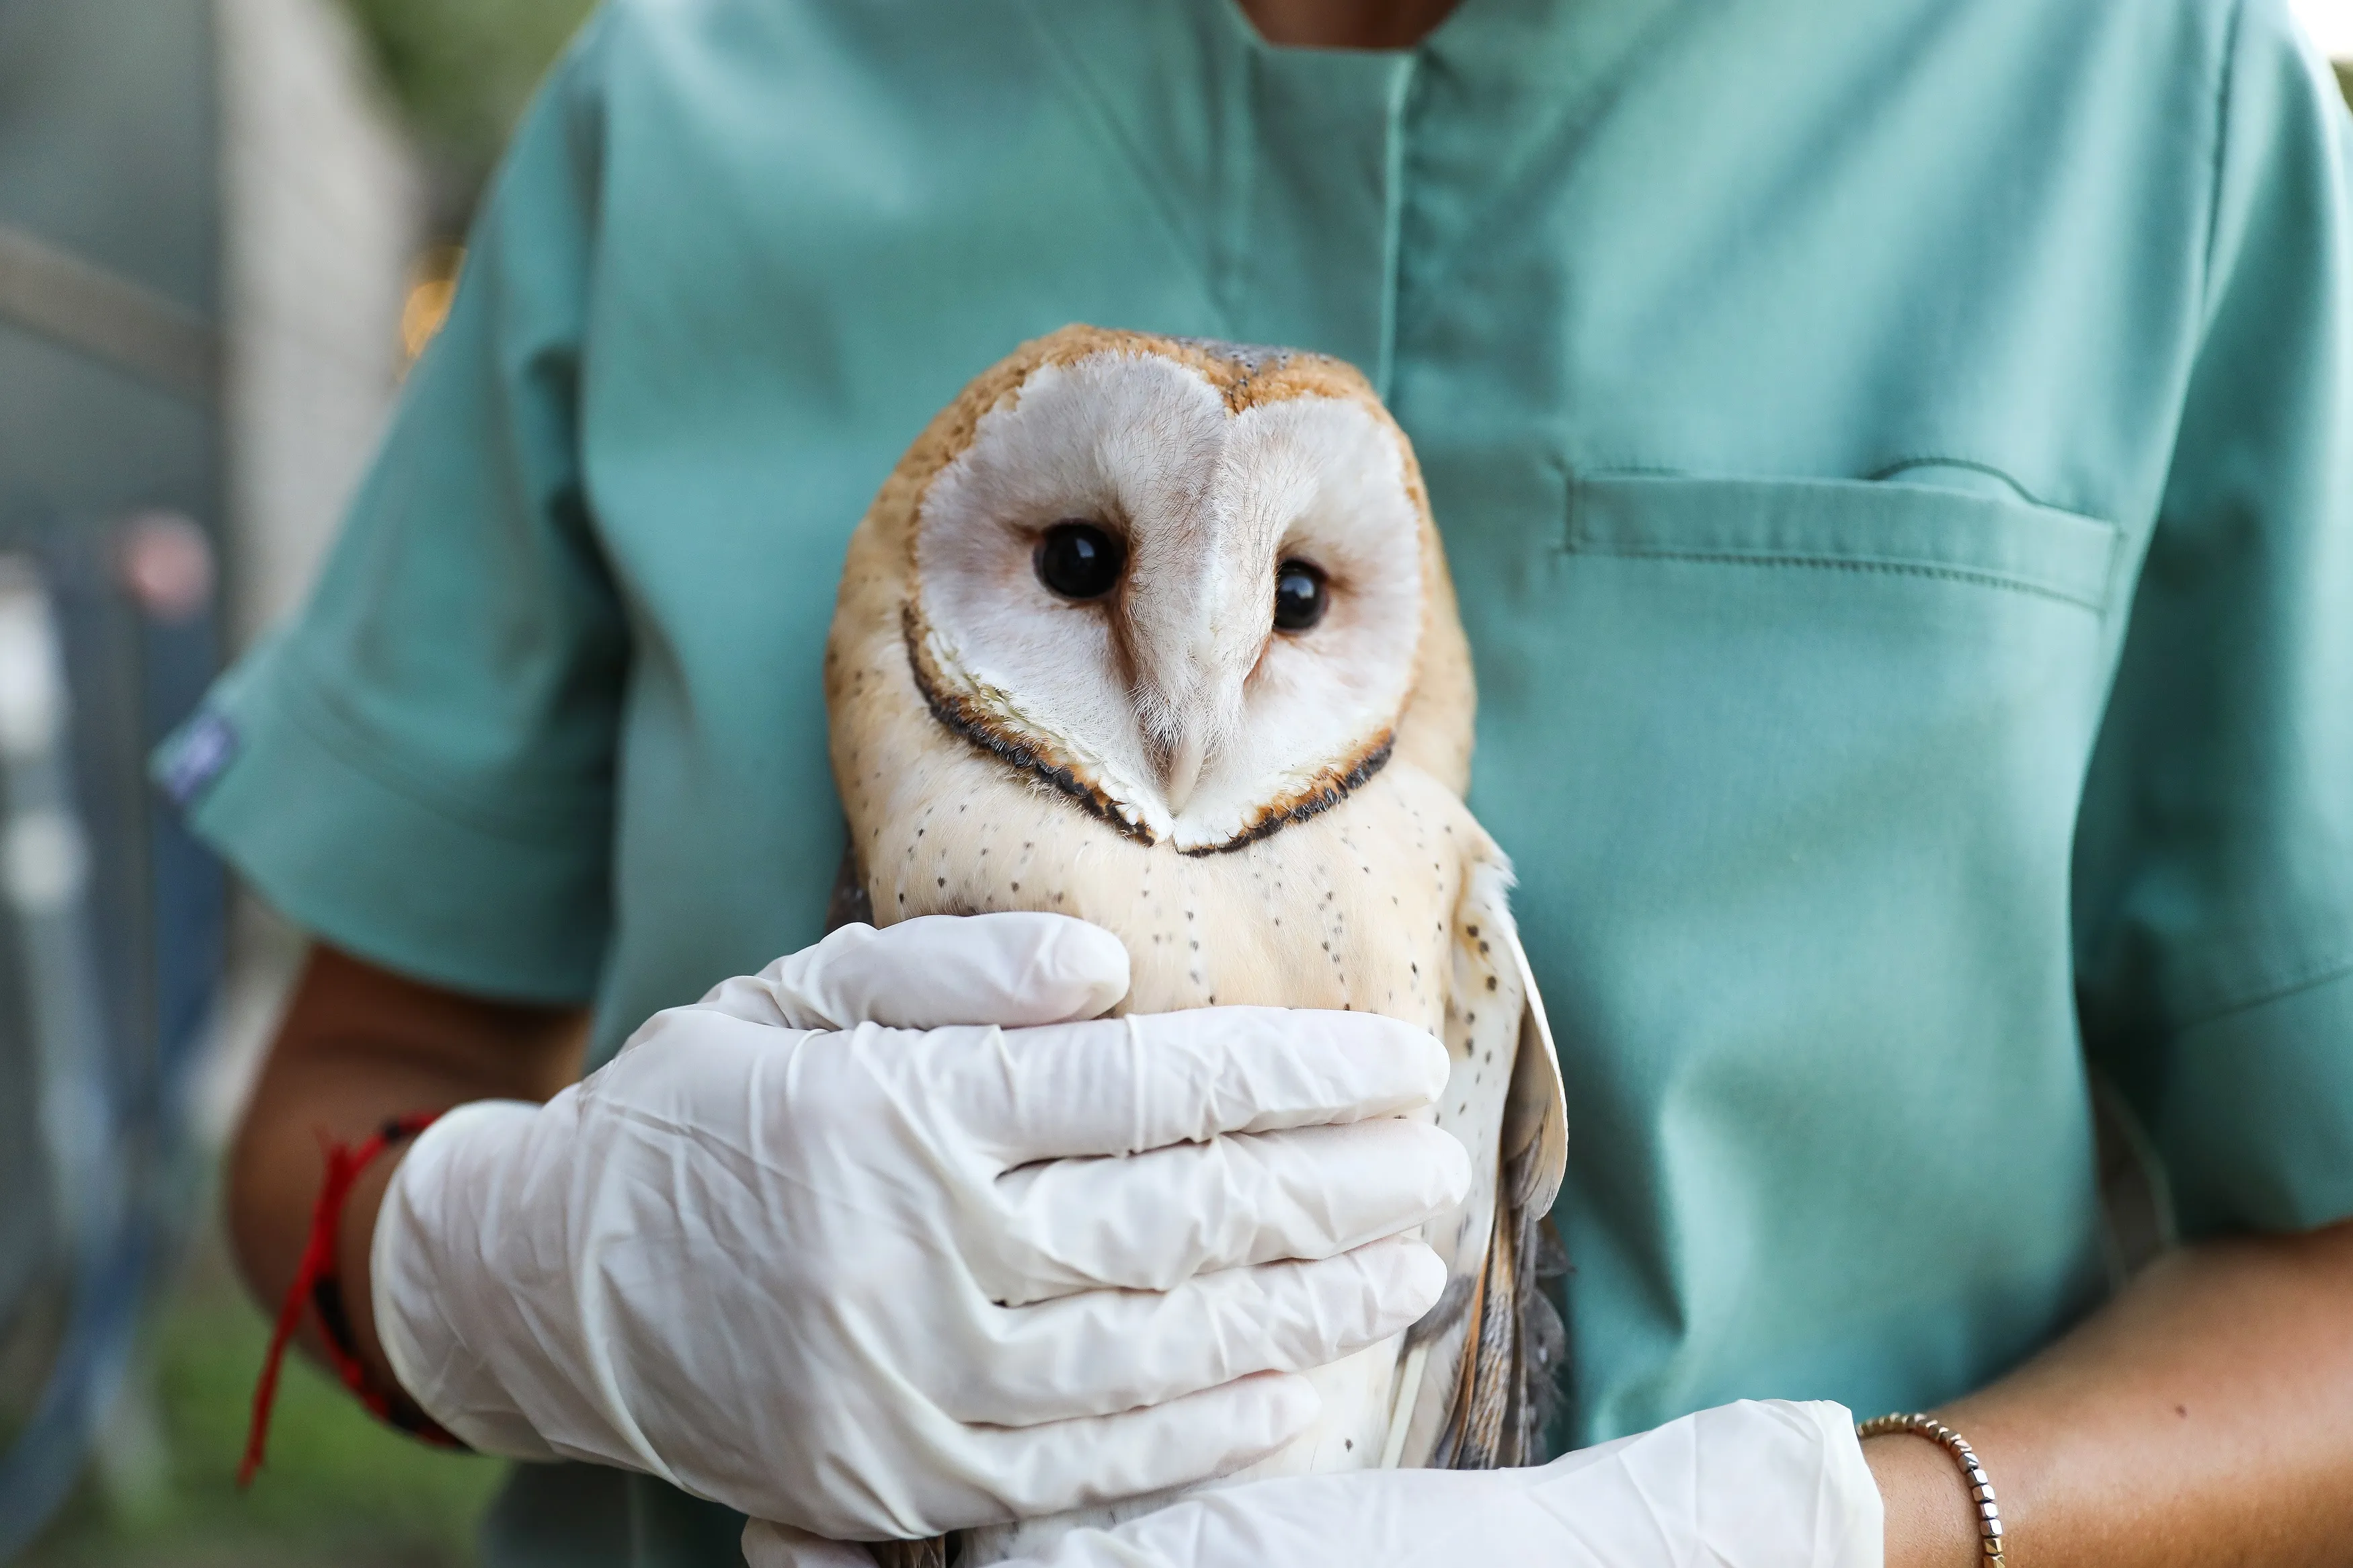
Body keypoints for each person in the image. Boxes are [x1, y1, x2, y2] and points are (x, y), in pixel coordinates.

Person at [163, 0, 2353, 1562]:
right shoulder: (696, 99)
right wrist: (531, 1273)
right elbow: (340, 1090)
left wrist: (1824, 1530)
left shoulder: (2142, 96)